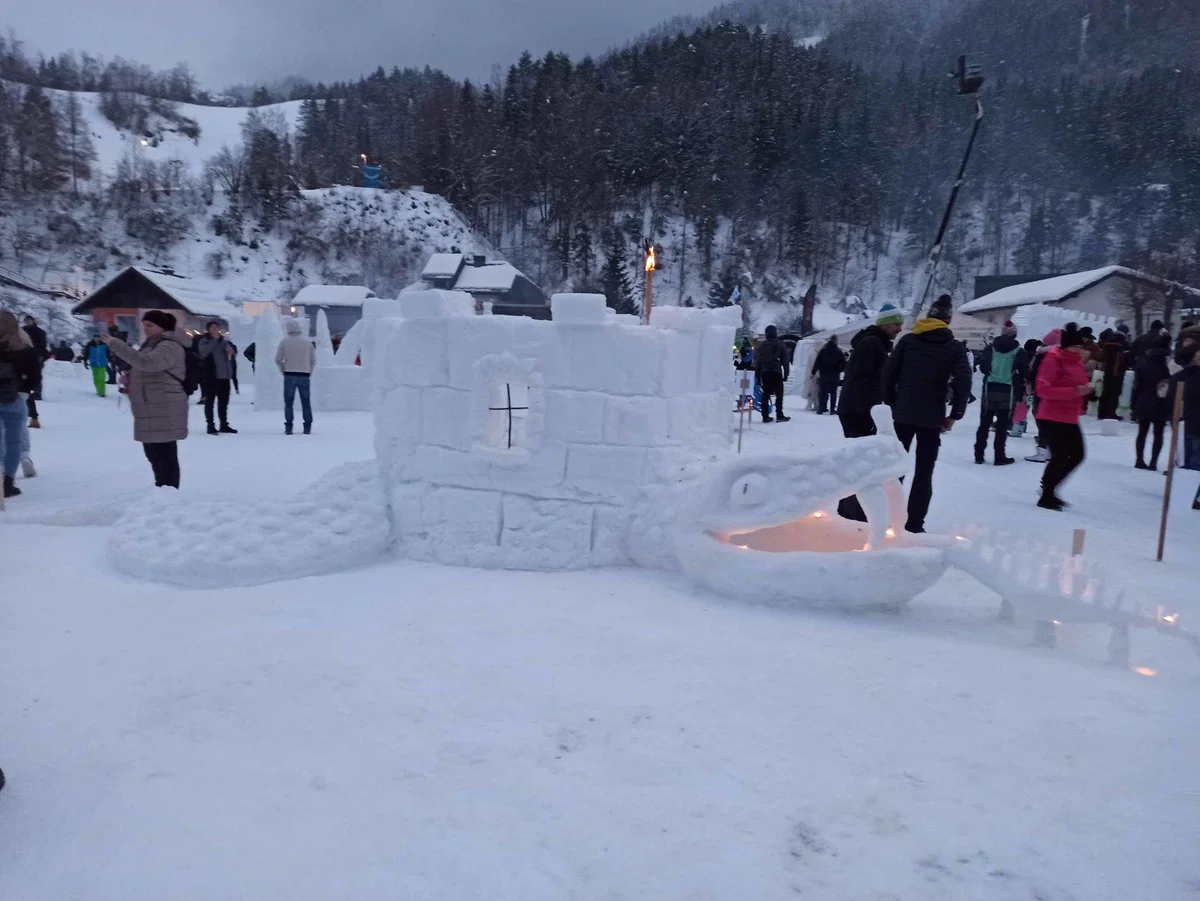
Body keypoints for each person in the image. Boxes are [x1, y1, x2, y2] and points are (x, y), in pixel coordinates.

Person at [882, 294, 971, 533]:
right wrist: (955, 414)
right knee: (924, 472)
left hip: (903, 413)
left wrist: (893, 402)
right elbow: (964, 382)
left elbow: (888, 374)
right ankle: (913, 524)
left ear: (928, 317)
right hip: (932, 416)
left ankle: (890, 517)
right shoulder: (953, 347)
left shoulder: (908, 341)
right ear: (947, 321)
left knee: (895, 469)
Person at [97, 311, 190, 489]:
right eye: (144, 325)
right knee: (154, 452)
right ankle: (162, 489)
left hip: (164, 406)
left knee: (163, 453)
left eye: (150, 325)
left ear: (162, 327)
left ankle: (169, 491)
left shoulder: (169, 346)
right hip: (153, 406)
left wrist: (117, 345)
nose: (146, 329)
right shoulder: (152, 345)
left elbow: (148, 364)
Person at [836, 304, 902, 521]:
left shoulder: (873, 343)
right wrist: (872, 413)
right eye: (896, 323)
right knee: (861, 462)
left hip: (855, 408)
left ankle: (850, 509)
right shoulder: (872, 344)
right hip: (858, 410)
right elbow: (864, 381)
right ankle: (853, 512)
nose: (899, 328)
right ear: (885, 323)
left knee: (857, 460)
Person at [1034, 323, 1092, 511]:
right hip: (1051, 415)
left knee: (1077, 455)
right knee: (1059, 456)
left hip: (1070, 415)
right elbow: (1043, 389)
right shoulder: (1053, 359)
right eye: (1076, 346)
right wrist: (1074, 391)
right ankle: (1047, 495)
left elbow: (1078, 384)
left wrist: (1089, 391)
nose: (1080, 350)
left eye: (1081, 347)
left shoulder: (1076, 361)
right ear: (1067, 345)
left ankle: (1049, 487)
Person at [974, 322, 1029, 465]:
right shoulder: (1019, 351)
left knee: (985, 422)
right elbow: (1024, 371)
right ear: (1015, 335)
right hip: (1008, 389)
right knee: (1002, 425)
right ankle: (999, 456)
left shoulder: (990, 348)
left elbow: (983, 368)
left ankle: (979, 454)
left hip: (990, 387)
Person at [0, 312, 41, 498]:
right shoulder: (24, 350)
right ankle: (7, 482)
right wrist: (24, 390)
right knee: (14, 442)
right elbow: (35, 378)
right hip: (14, 400)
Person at [1169, 324, 1200, 510]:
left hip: (1188, 420)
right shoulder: (1189, 375)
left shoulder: (1183, 373)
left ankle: (1188, 492)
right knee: (1192, 460)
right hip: (1191, 420)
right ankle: (1187, 494)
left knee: (1190, 458)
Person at [1132, 333, 1172, 471]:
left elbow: (1137, 385)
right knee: (1158, 433)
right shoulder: (1169, 365)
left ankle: (1139, 459)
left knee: (1142, 432)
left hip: (1144, 399)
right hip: (1161, 401)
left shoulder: (1143, 363)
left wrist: (1134, 404)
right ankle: (1154, 462)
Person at [276, 317, 317, 435]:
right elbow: (313, 360)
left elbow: (278, 359)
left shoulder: (284, 342)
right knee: (306, 401)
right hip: (304, 375)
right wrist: (309, 371)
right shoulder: (307, 342)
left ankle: (289, 426)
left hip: (289, 374)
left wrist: (283, 371)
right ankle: (307, 426)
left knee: (289, 402)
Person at [196, 321, 238, 435]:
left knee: (223, 403)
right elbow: (204, 352)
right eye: (212, 327)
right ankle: (210, 425)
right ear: (208, 329)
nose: (214, 329)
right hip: (211, 376)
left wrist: (231, 350)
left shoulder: (224, 341)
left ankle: (223, 424)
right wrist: (214, 340)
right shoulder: (204, 341)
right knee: (210, 402)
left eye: (216, 327)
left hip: (224, 376)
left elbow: (232, 353)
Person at [754, 324, 790, 423]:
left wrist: (757, 376)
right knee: (779, 394)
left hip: (765, 373)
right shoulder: (780, 344)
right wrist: (786, 374)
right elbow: (785, 361)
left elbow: (757, 363)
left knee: (765, 395)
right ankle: (779, 414)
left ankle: (765, 416)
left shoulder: (762, 346)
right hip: (776, 372)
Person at [21, 315, 46, 428]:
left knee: (25, 389)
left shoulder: (39, 332)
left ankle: (37, 392)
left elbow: (42, 346)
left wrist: (38, 356)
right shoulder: (22, 330)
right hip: (20, 359)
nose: (27, 322)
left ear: (33, 321)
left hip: (33, 359)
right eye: (26, 320)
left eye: (29, 320)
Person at [1096, 329, 1127, 420]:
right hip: (1116, 374)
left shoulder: (1106, 347)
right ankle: (1111, 413)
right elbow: (1120, 363)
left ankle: (1101, 413)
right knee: (1114, 394)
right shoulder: (1119, 349)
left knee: (1105, 392)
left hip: (1107, 373)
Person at [811, 334, 846, 414]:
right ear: (836, 341)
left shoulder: (823, 351)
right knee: (833, 393)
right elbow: (844, 364)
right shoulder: (838, 351)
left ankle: (821, 408)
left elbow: (817, 362)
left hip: (823, 374)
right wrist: (839, 370)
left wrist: (813, 372)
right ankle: (832, 409)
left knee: (823, 392)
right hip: (834, 375)